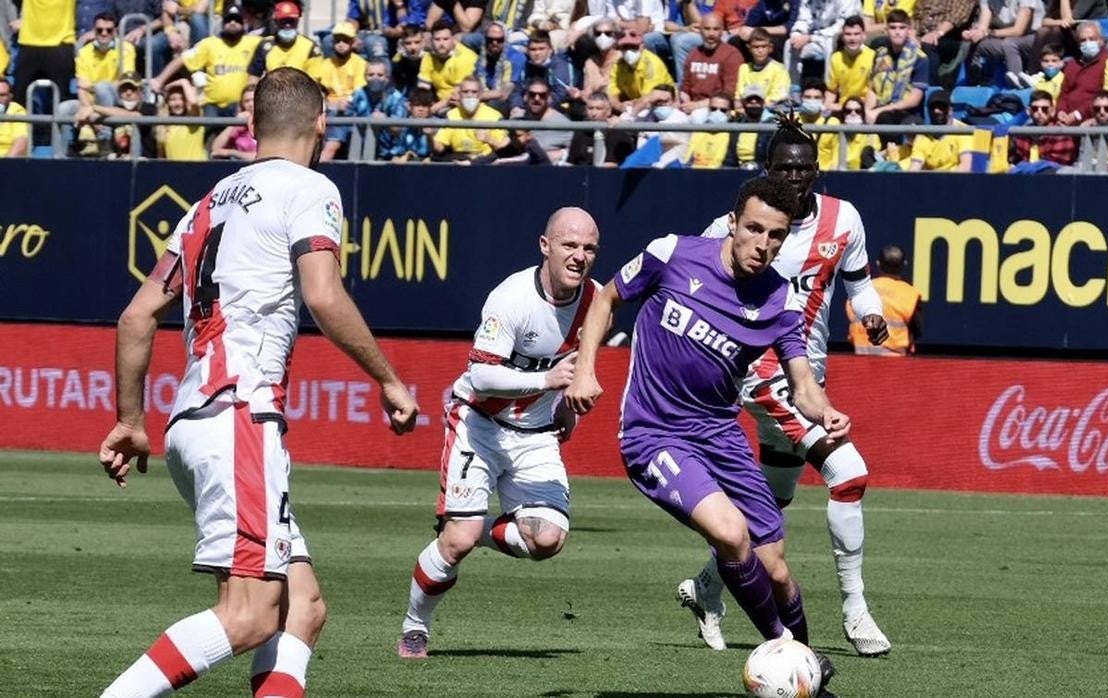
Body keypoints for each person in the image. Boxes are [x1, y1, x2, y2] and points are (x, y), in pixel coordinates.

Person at [96, 67, 420, 698]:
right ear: (322, 123)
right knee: (247, 616)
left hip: (191, 422)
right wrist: (388, 379)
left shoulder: (205, 204)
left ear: (250, 127)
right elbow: (323, 296)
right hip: (239, 413)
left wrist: (131, 421)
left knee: (303, 609)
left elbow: (136, 317)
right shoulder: (310, 188)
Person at [564, 176, 841, 698]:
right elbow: (606, 298)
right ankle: (784, 651)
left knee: (777, 569)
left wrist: (825, 411)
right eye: (754, 229)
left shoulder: (779, 299)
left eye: (776, 236)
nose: (763, 244)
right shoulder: (672, 254)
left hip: (720, 434)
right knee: (731, 534)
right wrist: (584, 371)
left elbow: (803, 385)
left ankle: (806, 675)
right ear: (733, 224)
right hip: (654, 433)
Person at [674, 117, 893, 659]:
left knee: (772, 499)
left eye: (802, 167)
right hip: (758, 372)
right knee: (849, 473)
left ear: (816, 170)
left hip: (807, 372)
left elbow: (860, 284)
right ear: (765, 170)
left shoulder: (845, 219)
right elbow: (691, 276)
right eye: (782, 167)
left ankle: (707, 587)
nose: (793, 176)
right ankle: (855, 609)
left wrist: (871, 316)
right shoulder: (739, 226)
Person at [398, 207, 601, 658]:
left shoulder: (596, 300)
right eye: (569, 245)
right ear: (545, 246)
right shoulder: (512, 297)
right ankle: (415, 627)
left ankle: (476, 526)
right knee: (456, 543)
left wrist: (571, 406)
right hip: (479, 424)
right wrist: (548, 381)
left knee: (547, 540)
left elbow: (581, 364)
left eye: (589, 248)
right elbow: (483, 377)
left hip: (537, 434)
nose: (579, 256)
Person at [847, 245, 922, 356]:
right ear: (904, 264)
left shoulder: (860, 290)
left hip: (860, 361)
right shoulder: (909, 293)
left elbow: (852, 322)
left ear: (878, 263)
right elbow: (917, 330)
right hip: (895, 364)